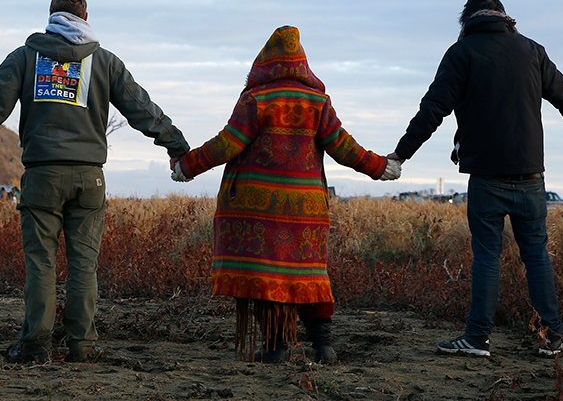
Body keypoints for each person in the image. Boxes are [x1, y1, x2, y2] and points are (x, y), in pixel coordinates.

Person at [0, 0, 189, 364]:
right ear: (86, 19)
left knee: (41, 263)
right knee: (84, 265)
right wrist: (177, 146)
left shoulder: (25, 58)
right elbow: (142, 109)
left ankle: (36, 346)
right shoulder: (105, 62)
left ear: (51, 17)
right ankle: (82, 345)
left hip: (42, 176)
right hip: (90, 179)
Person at [171, 26, 401, 364]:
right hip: (306, 207)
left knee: (269, 277)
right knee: (309, 273)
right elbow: (343, 146)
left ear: (265, 61)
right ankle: (323, 346)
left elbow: (228, 142)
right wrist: (379, 167)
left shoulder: (256, 99)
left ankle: (277, 347)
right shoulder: (318, 101)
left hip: (259, 206)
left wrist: (187, 166)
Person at [391, 0, 563, 357]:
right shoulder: (532, 50)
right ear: (505, 18)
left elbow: (432, 110)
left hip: (486, 175)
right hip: (531, 173)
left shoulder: (462, 53)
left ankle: (477, 338)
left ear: (466, 21)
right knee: (537, 255)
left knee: (486, 256)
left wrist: (401, 154)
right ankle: (553, 338)